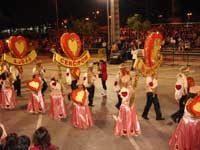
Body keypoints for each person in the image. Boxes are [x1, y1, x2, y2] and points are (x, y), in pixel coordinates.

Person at [114, 70, 141, 137]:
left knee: (126, 119)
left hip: (127, 107)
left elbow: (131, 98)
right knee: (128, 119)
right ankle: (128, 129)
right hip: (127, 107)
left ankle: (126, 130)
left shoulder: (127, 89)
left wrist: (129, 105)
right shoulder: (126, 88)